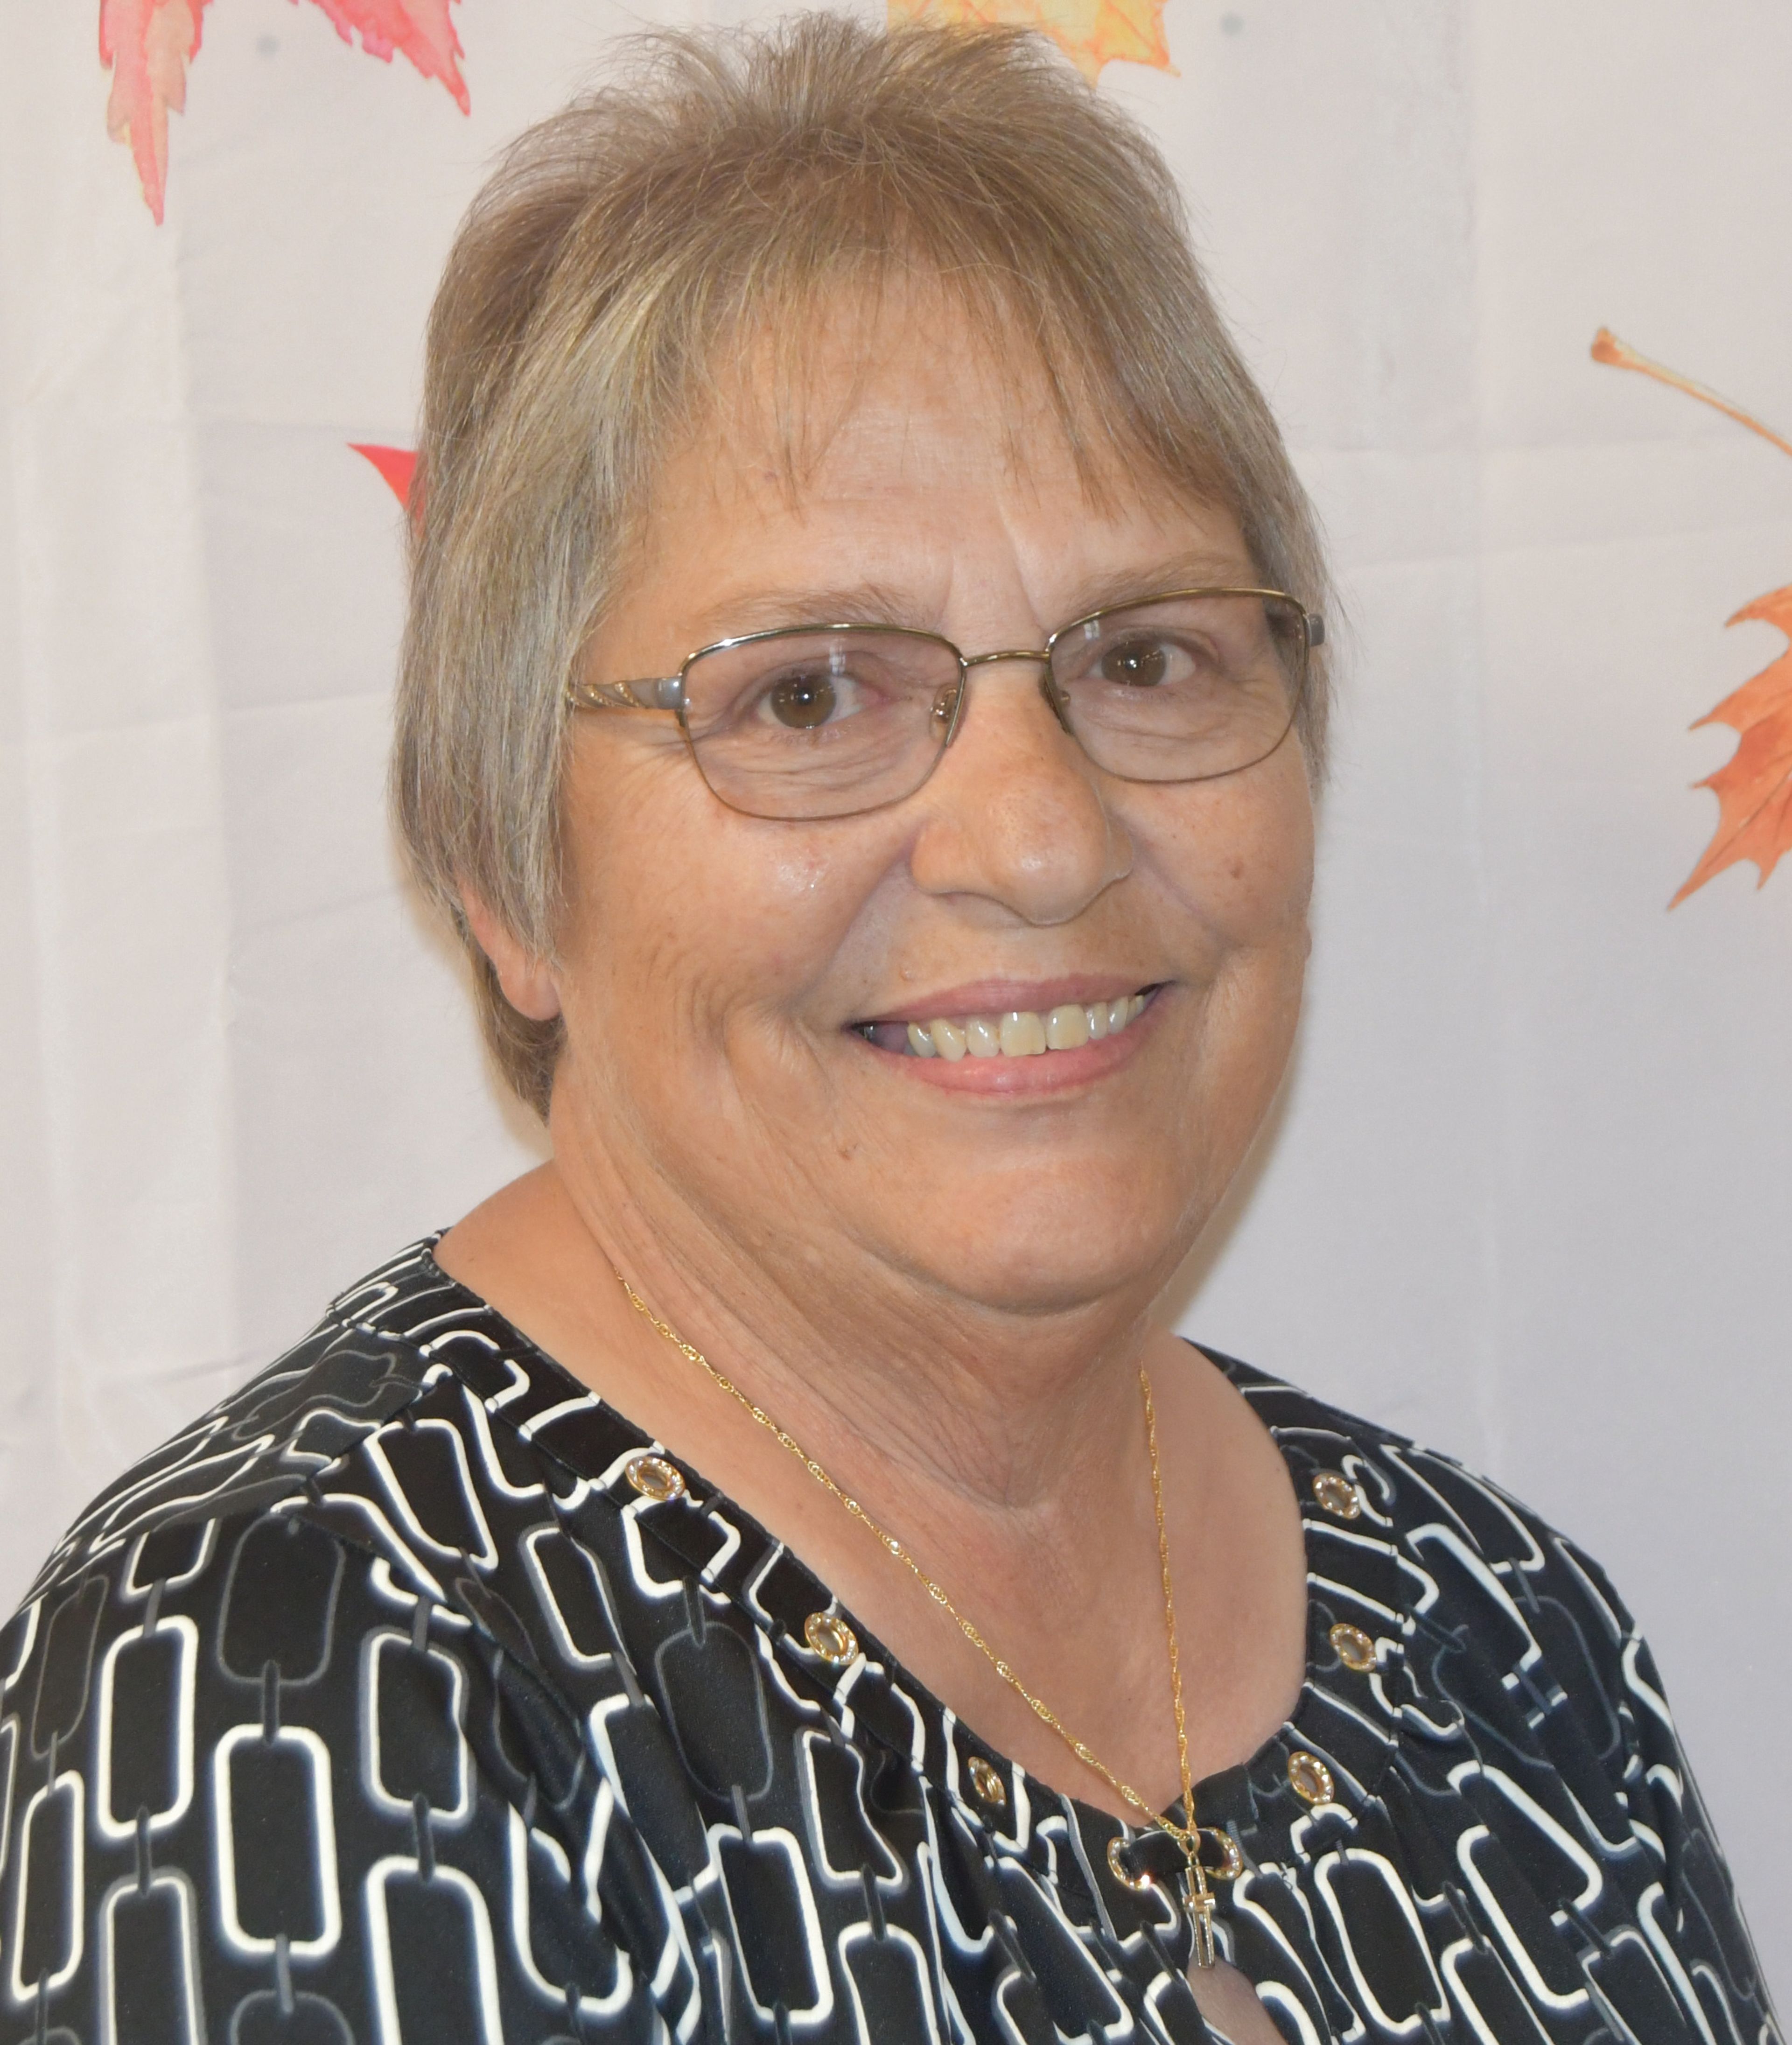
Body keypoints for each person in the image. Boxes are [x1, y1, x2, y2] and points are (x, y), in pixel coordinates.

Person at [0, 17, 1771, 2042]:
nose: (1039, 838)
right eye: (809, 694)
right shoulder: (295, 1686)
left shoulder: (1495, 1628)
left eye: (1145, 657)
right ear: (506, 873)